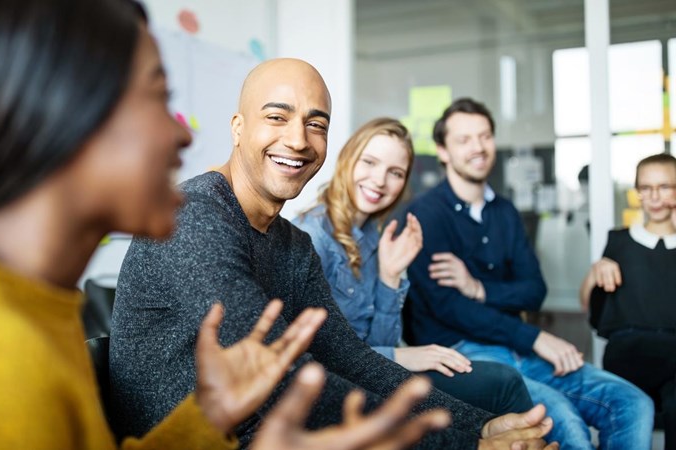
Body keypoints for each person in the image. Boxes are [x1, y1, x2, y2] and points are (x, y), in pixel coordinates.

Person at [0, 1, 456, 449]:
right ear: (66, 124)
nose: (182, 134)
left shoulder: (26, 308)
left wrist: (204, 424)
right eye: (157, 98)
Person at [111, 59, 559, 449]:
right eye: (277, 117)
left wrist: (478, 427)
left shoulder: (292, 244)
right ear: (238, 127)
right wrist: (463, 441)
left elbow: (351, 357)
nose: (299, 140)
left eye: (316, 124)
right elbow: (283, 378)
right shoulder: (196, 216)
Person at [403, 97, 655, 449]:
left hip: (517, 347)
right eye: (464, 140)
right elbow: (449, 309)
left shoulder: (505, 212)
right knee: (563, 421)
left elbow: (534, 289)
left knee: (632, 403)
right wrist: (534, 337)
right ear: (443, 151)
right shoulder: (425, 216)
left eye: (484, 136)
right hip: (465, 354)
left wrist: (478, 288)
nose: (478, 148)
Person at [292, 117, 533, 415]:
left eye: (395, 173)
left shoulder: (371, 237)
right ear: (347, 160)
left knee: (501, 385)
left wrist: (390, 276)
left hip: (370, 375)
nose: (380, 180)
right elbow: (315, 353)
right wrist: (402, 356)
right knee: (504, 384)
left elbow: (378, 343)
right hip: (334, 388)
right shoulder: (312, 237)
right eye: (369, 162)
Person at [580, 153, 676, 450]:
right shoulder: (619, 241)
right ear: (637, 193)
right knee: (628, 411)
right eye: (646, 188)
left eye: (665, 187)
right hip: (628, 353)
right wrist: (596, 271)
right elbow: (587, 304)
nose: (655, 197)